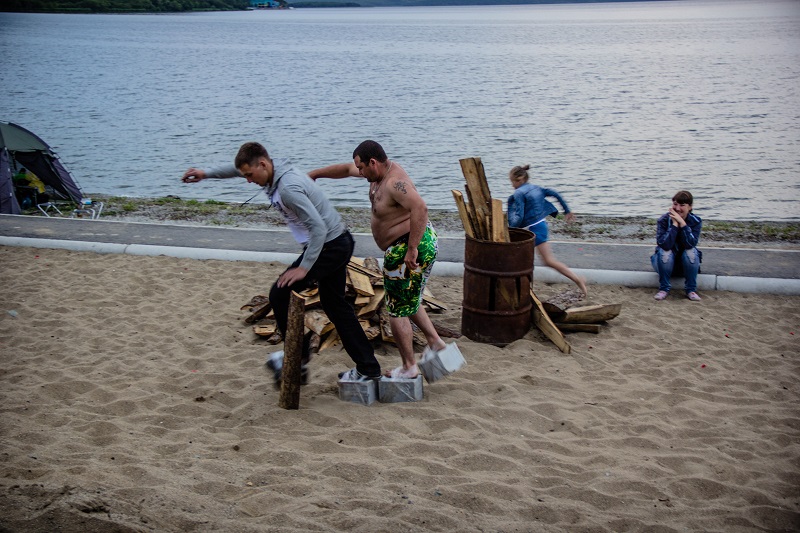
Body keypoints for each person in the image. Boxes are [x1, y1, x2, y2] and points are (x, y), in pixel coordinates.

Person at [181, 142, 382, 383]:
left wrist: (303, 268)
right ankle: (367, 368)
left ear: (263, 165)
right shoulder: (269, 171)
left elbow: (317, 228)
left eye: (250, 175)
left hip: (330, 245)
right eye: (245, 175)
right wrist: (206, 174)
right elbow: (239, 168)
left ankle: (298, 357)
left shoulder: (288, 188)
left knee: (280, 293)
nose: (247, 180)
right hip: (335, 242)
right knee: (335, 306)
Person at [309, 140, 451, 380]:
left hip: (408, 245)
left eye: (362, 168)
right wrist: (314, 175)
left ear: (373, 162)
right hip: (411, 243)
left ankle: (409, 367)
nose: (360, 172)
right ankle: (435, 342)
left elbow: (421, 208)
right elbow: (345, 169)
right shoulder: (376, 175)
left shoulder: (395, 183)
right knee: (409, 298)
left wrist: (412, 249)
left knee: (396, 309)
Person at [506, 164, 588, 297]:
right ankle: (577, 279)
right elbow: (555, 194)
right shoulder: (536, 188)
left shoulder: (519, 193)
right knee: (548, 261)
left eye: (512, 182)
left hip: (531, 229)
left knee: (517, 259)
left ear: (519, 180)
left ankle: (518, 289)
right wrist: (567, 210)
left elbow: (519, 216)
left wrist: (510, 228)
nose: (512, 185)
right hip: (541, 226)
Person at [650, 190, 702, 301]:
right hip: (664, 263)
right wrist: (674, 225)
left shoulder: (696, 221)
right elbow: (665, 244)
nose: (677, 208)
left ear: (690, 207)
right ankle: (663, 289)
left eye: (682, 205)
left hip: (686, 264)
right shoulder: (663, 220)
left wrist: (683, 225)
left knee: (691, 252)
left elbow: (690, 244)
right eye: (675, 204)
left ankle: (691, 290)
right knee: (665, 251)